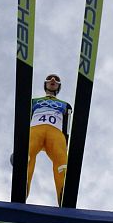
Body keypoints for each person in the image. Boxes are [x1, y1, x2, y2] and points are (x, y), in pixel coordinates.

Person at [26, 73, 72, 204]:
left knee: (61, 162)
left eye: (56, 80)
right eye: (50, 79)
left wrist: (65, 143)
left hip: (56, 133)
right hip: (36, 129)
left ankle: (63, 192)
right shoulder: (34, 101)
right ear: (45, 84)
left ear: (59, 86)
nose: (53, 80)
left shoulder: (65, 105)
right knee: (27, 154)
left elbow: (66, 125)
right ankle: (24, 184)